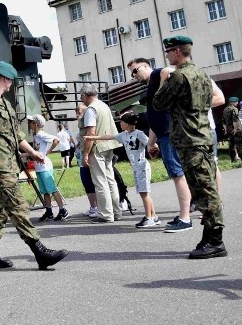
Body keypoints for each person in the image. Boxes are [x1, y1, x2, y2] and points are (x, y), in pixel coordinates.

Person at [0, 60, 68, 270]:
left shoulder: (4, 103)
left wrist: (33, 152)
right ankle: (40, 252)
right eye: (11, 81)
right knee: (18, 207)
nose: (11, 85)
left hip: (9, 164)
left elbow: (16, 135)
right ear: (5, 79)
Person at [153, 35, 227, 259]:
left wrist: (165, 80)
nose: (166, 55)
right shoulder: (202, 74)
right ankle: (209, 236)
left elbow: (158, 102)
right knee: (204, 188)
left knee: (204, 189)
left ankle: (216, 240)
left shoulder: (179, 76)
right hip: (202, 134)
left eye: (168, 51)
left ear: (177, 51)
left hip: (189, 139)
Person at [128, 58, 193, 233]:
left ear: (147, 66)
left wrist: (162, 91)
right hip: (163, 134)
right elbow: (154, 117)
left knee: (178, 174)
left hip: (170, 133)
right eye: (132, 73)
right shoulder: (150, 85)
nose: (134, 75)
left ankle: (185, 218)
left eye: (136, 70)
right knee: (179, 174)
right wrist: (151, 143)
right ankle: (186, 213)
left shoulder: (156, 74)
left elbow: (168, 70)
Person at [85, 113, 158, 228]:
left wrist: (153, 148)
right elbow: (109, 137)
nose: (120, 123)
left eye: (122, 122)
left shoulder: (139, 134)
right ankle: (153, 216)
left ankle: (149, 218)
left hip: (142, 167)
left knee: (144, 193)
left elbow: (152, 144)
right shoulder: (123, 135)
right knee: (144, 193)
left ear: (127, 124)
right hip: (136, 168)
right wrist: (93, 137)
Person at [79, 84, 121, 223]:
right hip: (110, 144)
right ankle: (116, 211)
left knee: (100, 181)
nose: (81, 100)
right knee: (110, 179)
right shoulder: (104, 105)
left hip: (97, 147)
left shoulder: (91, 110)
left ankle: (106, 214)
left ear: (85, 96)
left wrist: (85, 154)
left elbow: (91, 133)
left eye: (81, 97)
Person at [28, 115, 69, 221]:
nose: (29, 123)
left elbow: (56, 140)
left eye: (30, 122)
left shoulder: (41, 134)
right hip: (39, 167)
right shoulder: (35, 135)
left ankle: (62, 210)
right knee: (45, 191)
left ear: (35, 124)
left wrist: (47, 153)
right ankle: (49, 211)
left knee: (52, 189)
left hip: (45, 167)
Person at [74, 104, 99, 218]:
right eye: (76, 112)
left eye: (79, 112)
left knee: (92, 182)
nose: (77, 115)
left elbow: (89, 139)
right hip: (81, 159)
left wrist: (86, 155)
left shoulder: (88, 127)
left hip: (88, 157)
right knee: (86, 182)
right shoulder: (81, 128)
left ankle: (97, 207)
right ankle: (93, 207)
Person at [222, 97, 242, 162]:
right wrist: (235, 128)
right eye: (236, 102)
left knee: (232, 145)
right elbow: (235, 119)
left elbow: (223, 120)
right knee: (239, 144)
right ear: (233, 102)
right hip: (236, 129)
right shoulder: (234, 109)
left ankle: (233, 159)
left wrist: (225, 129)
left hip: (229, 129)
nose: (237, 103)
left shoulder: (225, 109)